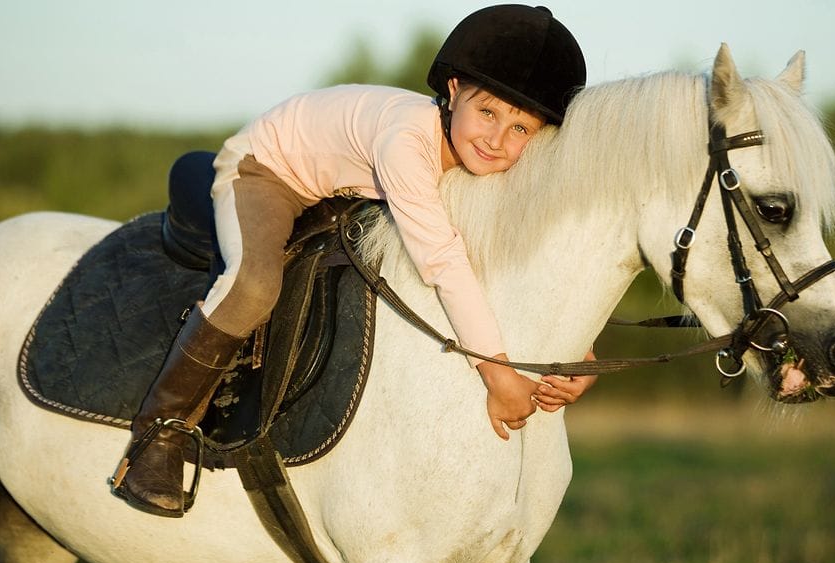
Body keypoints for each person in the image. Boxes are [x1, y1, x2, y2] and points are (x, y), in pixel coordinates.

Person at [111, 4, 596, 518]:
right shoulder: (406, 142)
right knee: (254, 285)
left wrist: (581, 351)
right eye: (489, 112)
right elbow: (445, 263)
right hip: (268, 169)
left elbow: (509, 253)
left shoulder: (478, 155)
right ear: (453, 92)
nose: (497, 140)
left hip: (339, 187)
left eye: (521, 129)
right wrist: (499, 377)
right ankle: (158, 433)